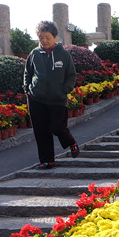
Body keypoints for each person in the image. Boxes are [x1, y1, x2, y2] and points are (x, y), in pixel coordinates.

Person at [23, 20, 79, 170]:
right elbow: (28, 72)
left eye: (48, 37)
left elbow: (71, 75)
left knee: (57, 127)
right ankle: (47, 161)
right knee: (41, 131)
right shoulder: (35, 54)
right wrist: (27, 89)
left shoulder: (64, 55)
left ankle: (70, 142)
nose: (44, 41)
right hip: (36, 99)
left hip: (57, 99)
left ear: (55, 37)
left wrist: (65, 89)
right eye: (41, 38)